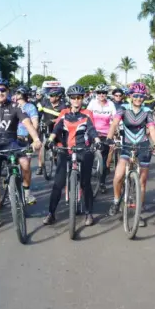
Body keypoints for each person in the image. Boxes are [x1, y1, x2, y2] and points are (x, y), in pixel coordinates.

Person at [0, 78, 41, 229]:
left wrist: (36, 139)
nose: (0, 93)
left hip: (11, 143)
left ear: (8, 91)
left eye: (3, 90)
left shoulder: (16, 106)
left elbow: (27, 123)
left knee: (25, 162)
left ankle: (26, 191)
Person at [43, 84, 101, 227]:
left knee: (86, 183)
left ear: (83, 99)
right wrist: (50, 141)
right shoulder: (63, 113)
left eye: (79, 97)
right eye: (73, 98)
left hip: (84, 149)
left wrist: (97, 141)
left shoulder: (87, 114)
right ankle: (51, 213)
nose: (76, 100)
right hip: (66, 149)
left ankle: (88, 213)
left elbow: (92, 130)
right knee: (58, 183)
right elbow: (56, 129)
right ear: (69, 99)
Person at [106, 82, 155, 226]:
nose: (138, 98)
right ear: (130, 96)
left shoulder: (147, 111)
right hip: (126, 146)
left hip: (143, 146)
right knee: (118, 177)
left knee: (142, 182)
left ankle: (138, 212)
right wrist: (109, 139)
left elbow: (152, 129)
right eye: (135, 95)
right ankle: (117, 201)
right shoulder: (123, 109)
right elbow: (114, 124)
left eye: (141, 96)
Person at [86, 84, 116, 194]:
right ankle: (86, 181)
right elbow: (87, 116)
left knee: (103, 161)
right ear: (96, 94)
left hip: (106, 134)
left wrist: (116, 130)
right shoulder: (92, 103)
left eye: (104, 93)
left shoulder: (111, 104)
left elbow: (115, 118)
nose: (102, 95)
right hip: (92, 133)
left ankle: (102, 183)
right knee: (88, 157)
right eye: (99, 93)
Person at [14, 86, 39, 205]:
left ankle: (27, 192)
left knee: (26, 166)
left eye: (17, 93)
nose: (15, 95)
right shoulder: (11, 106)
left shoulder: (30, 107)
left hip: (25, 140)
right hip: (12, 140)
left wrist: (33, 138)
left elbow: (35, 123)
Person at [36, 87, 68, 175]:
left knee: (59, 146)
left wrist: (53, 121)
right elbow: (38, 110)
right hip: (46, 126)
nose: (50, 97)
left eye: (52, 96)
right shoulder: (45, 102)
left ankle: (56, 156)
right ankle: (40, 167)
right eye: (49, 95)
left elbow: (63, 118)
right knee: (42, 146)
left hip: (57, 128)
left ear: (58, 97)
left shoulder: (63, 106)